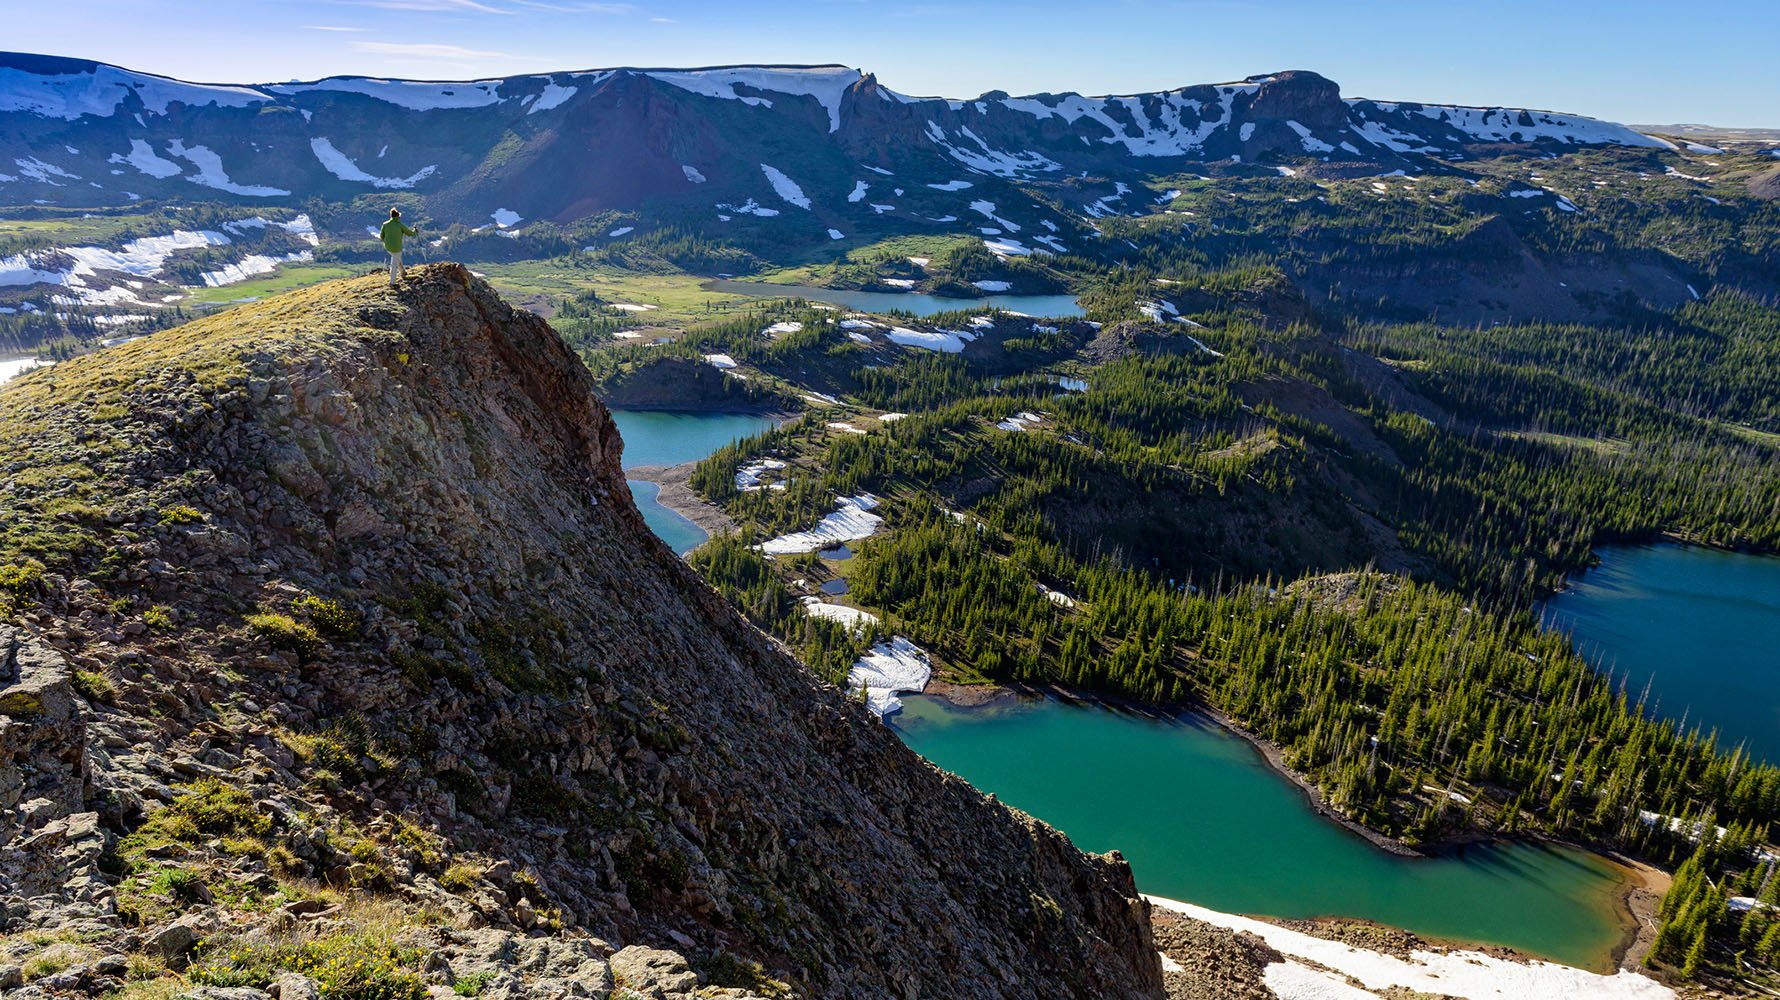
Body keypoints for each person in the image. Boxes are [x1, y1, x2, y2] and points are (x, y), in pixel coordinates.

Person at [379, 208, 418, 285]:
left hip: (388, 247)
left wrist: (387, 242)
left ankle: (403, 273)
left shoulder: (385, 224)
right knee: (394, 264)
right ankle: (392, 282)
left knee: (397, 258)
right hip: (397, 247)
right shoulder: (400, 225)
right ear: (398, 216)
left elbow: (381, 236)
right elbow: (410, 234)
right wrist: (415, 231)